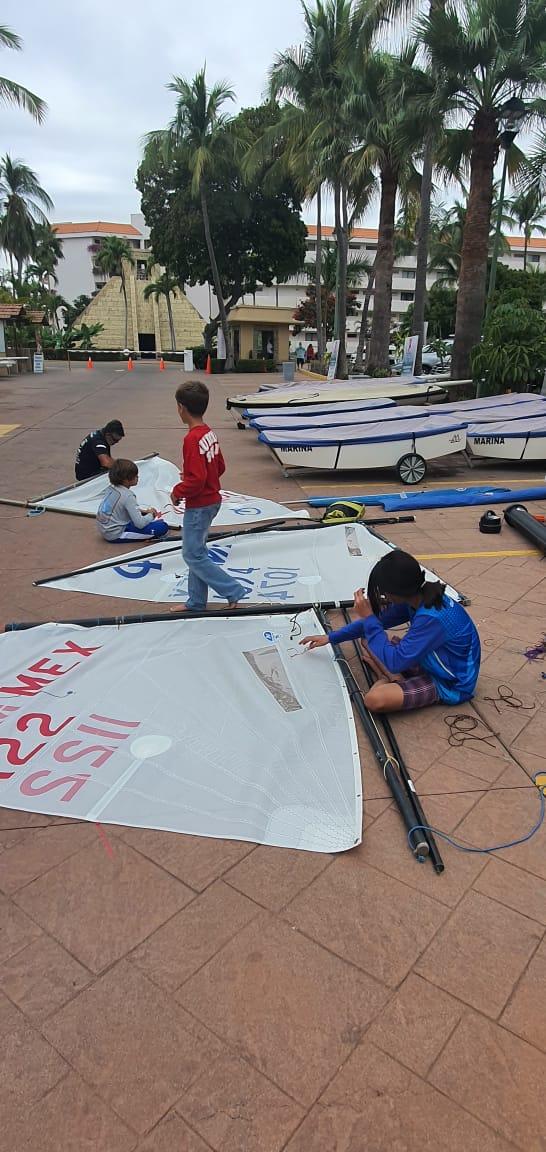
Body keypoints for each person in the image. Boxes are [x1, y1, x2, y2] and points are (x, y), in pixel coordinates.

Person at [301, 549, 481, 713]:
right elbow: (376, 623)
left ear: (393, 592)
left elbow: (395, 662)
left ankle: (389, 678)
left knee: (374, 700)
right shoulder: (419, 595)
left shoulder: (432, 617)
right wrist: (330, 637)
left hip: (450, 683)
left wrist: (369, 618)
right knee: (368, 638)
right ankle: (392, 679)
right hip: (430, 660)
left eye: (383, 593)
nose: (383, 597)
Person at [171, 381, 246, 611]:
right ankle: (196, 601)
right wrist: (203, 477)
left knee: (192, 555)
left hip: (200, 504)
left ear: (181, 408)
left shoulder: (192, 439)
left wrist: (177, 491)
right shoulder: (208, 433)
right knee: (197, 552)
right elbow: (219, 466)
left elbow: (196, 480)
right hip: (212, 500)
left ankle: (232, 590)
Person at [97, 459, 169, 542]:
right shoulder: (128, 496)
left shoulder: (111, 488)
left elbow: (121, 508)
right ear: (126, 480)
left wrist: (143, 512)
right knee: (162, 527)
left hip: (105, 528)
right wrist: (152, 514)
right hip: (115, 534)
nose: (138, 477)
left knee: (152, 521)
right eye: (135, 476)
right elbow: (140, 524)